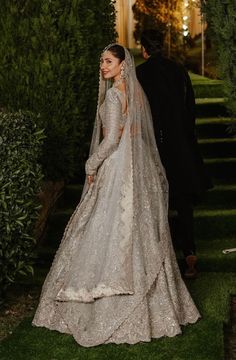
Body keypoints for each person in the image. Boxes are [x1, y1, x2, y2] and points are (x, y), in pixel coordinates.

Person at [32, 44, 200, 347]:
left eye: (108, 61)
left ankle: (110, 298)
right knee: (139, 232)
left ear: (123, 65)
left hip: (118, 174)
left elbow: (110, 143)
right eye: (101, 61)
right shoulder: (136, 93)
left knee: (107, 230)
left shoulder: (113, 95)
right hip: (139, 173)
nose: (103, 66)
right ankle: (157, 306)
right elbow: (135, 136)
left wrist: (90, 163)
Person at [136, 30, 212, 279]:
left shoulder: (141, 74)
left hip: (156, 146)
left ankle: (161, 263)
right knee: (183, 204)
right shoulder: (179, 70)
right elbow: (190, 109)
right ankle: (190, 253)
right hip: (181, 147)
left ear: (144, 50)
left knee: (158, 205)